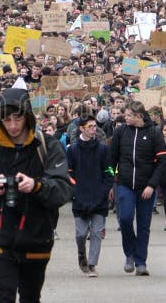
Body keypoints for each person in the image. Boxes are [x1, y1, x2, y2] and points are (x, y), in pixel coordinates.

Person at [0, 88, 72, 302]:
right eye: (6, 119)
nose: (12, 125)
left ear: (28, 116)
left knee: (30, 298)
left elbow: (63, 190)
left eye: (18, 118)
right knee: (3, 297)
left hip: (36, 238)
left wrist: (36, 186)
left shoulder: (48, 147)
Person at [110, 101, 166, 276]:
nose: (125, 117)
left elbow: (163, 161)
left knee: (144, 225)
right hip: (125, 184)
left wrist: (152, 185)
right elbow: (111, 160)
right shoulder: (120, 132)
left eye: (128, 115)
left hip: (146, 187)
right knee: (125, 219)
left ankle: (141, 262)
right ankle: (129, 253)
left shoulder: (154, 133)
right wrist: (111, 182)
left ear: (138, 116)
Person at [67, 115, 113, 278]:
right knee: (81, 233)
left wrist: (106, 188)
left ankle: (92, 264)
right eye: (90, 126)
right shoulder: (72, 149)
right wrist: (74, 190)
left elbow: (110, 171)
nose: (94, 129)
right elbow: (68, 172)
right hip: (80, 197)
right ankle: (82, 255)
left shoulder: (103, 149)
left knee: (96, 232)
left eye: (95, 126)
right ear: (81, 128)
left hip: (99, 197)